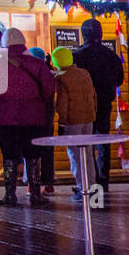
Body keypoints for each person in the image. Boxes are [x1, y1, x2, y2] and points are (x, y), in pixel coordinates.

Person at [0, 28, 57, 206]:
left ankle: (10, 194)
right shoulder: (36, 63)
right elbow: (49, 89)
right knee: (33, 154)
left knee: (9, 155)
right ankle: (35, 193)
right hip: (34, 118)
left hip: (5, 118)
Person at [72, 18, 125, 200]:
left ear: (83, 33)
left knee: (86, 144)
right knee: (103, 142)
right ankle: (103, 181)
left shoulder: (77, 55)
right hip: (104, 103)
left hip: (84, 104)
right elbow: (119, 80)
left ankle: (91, 181)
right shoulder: (111, 55)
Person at [51, 45, 97, 202]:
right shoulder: (84, 73)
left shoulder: (61, 78)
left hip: (72, 121)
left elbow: (62, 104)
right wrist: (93, 113)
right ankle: (91, 185)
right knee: (88, 154)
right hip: (88, 118)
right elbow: (93, 96)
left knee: (75, 155)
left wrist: (62, 122)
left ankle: (81, 187)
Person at [29, 47, 56, 195]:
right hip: (47, 118)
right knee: (47, 152)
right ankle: (49, 184)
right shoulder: (50, 73)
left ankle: (31, 184)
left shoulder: (29, 74)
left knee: (30, 151)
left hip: (32, 118)